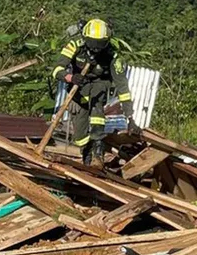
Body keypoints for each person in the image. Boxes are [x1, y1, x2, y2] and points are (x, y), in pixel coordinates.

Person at [51, 18, 137, 166]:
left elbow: (122, 87)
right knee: (79, 136)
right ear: (85, 38)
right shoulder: (74, 46)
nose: (96, 48)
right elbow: (56, 70)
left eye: (100, 44)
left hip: (99, 86)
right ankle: (87, 152)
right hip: (78, 90)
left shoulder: (113, 56)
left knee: (98, 98)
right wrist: (71, 78)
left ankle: (98, 146)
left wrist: (130, 118)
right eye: (93, 43)